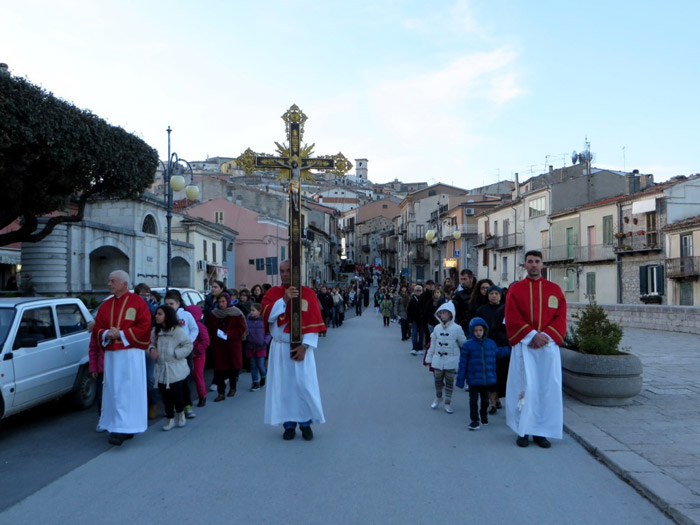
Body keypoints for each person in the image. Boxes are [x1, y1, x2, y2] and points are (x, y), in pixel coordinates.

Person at [505, 250, 567, 449]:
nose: (533, 264)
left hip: (547, 348)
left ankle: (541, 431)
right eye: (529, 261)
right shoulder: (515, 290)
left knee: (546, 389)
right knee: (524, 388)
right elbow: (512, 317)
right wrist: (532, 335)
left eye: (537, 261)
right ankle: (523, 430)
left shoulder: (555, 289)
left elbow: (560, 316)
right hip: (525, 347)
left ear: (542, 264)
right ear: (524, 265)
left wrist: (544, 336)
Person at [261, 260, 325, 441]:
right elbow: (267, 315)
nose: (284, 274)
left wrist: (305, 347)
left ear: (296, 272)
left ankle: (306, 424)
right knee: (284, 388)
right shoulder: (273, 293)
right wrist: (285, 299)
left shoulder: (309, 294)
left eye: (288, 270)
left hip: (301, 349)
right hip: (280, 348)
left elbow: (313, 326)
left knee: (303, 386)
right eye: (282, 271)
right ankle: (288, 425)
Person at [93, 270, 152, 446]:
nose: (109, 284)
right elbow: (97, 328)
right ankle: (117, 426)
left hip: (131, 354)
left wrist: (122, 333)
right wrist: (105, 333)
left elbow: (145, 326)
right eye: (109, 280)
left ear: (124, 284)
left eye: (113, 281)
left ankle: (128, 427)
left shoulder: (137, 303)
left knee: (129, 390)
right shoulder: (105, 305)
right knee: (114, 390)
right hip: (112, 355)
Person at [456, 317, 511, 431]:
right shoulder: (468, 345)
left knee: (485, 400)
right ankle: (474, 420)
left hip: (486, 380)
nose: (478, 333)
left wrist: (511, 348)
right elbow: (463, 364)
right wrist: (460, 380)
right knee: (473, 401)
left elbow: (498, 353)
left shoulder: (490, 344)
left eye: (480, 330)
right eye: (475, 330)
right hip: (473, 379)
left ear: (484, 330)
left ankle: (484, 415)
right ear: (472, 331)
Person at [148, 305, 193, 431]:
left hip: (175, 369)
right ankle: (170, 419)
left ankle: (181, 414)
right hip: (161, 369)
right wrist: (151, 350)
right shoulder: (155, 332)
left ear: (167, 316)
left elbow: (188, 345)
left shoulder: (178, 331)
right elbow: (149, 344)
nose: (156, 316)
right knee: (165, 396)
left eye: (160, 314)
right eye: (156, 313)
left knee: (177, 394)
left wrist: (176, 353)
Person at [425, 302, 466, 414]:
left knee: (449, 382)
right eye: (441, 313)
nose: (442, 315)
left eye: (444, 313)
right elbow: (432, 345)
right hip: (438, 359)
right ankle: (438, 397)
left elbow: (464, 344)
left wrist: (464, 358)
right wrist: (429, 358)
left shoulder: (457, 328)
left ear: (451, 314)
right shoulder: (437, 328)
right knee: (437, 381)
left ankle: (447, 402)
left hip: (451, 360)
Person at [475, 285, 510, 415]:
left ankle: (498, 397)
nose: (494, 296)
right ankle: (492, 402)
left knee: (502, 374)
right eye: (491, 293)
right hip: (487, 344)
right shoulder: (482, 310)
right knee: (490, 374)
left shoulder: (506, 309)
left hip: (504, 346)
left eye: (496, 293)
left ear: (501, 296)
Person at [164, 290, 199, 419]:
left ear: (178, 303)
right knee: (171, 379)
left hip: (184, 352)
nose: (169, 306)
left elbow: (195, 329)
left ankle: (187, 405)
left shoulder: (186, 315)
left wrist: (189, 341)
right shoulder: (163, 317)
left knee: (185, 378)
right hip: (169, 352)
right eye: (166, 304)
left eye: (171, 304)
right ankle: (174, 405)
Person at [208, 293, 247, 402]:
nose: (221, 304)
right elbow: (210, 328)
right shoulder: (214, 314)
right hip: (219, 346)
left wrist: (228, 334)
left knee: (233, 369)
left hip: (232, 345)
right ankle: (221, 393)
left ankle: (233, 387)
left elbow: (241, 329)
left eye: (223, 301)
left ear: (228, 301)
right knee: (219, 370)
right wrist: (215, 335)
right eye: (219, 302)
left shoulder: (236, 313)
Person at [134, 283, 159, 420]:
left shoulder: (152, 306)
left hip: (149, 343)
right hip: (134, 344)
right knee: (137, 378)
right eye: (142, 295)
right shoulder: (132, 306)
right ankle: (140, 406)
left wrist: (147, 302)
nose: (145, 297)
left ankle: (152, 404)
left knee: (150, 378)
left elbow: (155, 314)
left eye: (147, 294)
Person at [184, 304, 210, 407]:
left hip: (197, 355)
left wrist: (196, 352)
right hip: (189, 353)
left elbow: (205, 341)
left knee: (197, 375)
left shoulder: (199, 326)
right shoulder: (188, 325)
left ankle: (202, 396)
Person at [246, 302, 269, 391]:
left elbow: (268, 332)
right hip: (251, 346)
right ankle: (255, 382)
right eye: (251, 310)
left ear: (259, 311)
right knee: (253, 365)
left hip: (261, 346)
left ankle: (263, 375)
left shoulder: (264, 321)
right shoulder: (248, 319)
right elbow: (245, 330)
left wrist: (265, 341)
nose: (251, 312)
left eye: (253, 310)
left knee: (260, 364)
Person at [407, 284, 424, 356]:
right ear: (415, 291)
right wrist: (410, 320)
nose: (418, 292)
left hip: (422, 320)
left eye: (419, 291)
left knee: (421, 334)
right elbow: (409, 310)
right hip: (414, 319)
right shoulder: (412, 299)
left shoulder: (424, 299)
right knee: (414, 334)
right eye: (417, 290)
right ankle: (414, 348)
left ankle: (420, 348)